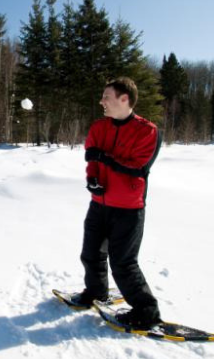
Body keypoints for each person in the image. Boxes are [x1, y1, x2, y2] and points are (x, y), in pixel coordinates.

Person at [77, 77, 162, 328]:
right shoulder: (99, 127)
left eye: (107, 97)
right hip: (99, 204)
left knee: (123, 263)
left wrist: (105, 158)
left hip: (128, 208)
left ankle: (147, 311)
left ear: (124, 99)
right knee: (91, 254)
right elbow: (91, 158)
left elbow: (138, 167)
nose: (101, 101)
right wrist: (92, 178)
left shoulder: (147, 131)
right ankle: (96, 292)